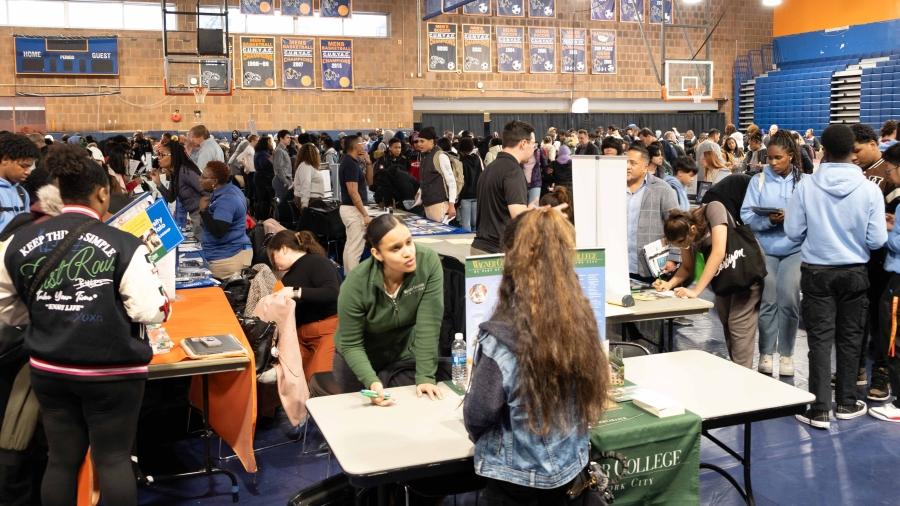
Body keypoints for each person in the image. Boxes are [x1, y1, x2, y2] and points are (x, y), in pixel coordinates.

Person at [0, 144, 169, 506]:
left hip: (49, 367)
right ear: (102, 192)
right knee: (113, 460)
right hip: (113, 373)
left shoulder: (19, 240)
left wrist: (48, 310)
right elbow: (150, 310)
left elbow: (5, 309)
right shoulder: (124, 244)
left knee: (60, 460)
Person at [464, 208, 609, 504]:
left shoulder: (501, 337)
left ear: (511, 257)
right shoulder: (581, 321)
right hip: (573, 472)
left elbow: (478, 414)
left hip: (516, 483)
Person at [786, 124, 887, 429]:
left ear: (822, 150)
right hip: (855, 272)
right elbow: (876, 241)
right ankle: (845, 401)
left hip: (817, 272)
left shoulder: (806, 186)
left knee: (819, 340)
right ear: (853, 150)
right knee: (851, 337)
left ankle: (818, 408)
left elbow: (792, 232)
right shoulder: (870, 189)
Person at [330, 214, 446, 403]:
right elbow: (352, 344)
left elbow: (429, 326)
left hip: (401, 354)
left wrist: (425, 376)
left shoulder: (428, 263)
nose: (408, 252)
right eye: (396, 248)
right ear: (377, 254)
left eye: (409, 242)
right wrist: (371, 382)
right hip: (357, 360)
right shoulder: (356, 284)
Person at [656, 200, 762, 369]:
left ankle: (743, 381)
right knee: (727, 324)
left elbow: (719, 251)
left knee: (738, 326)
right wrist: (668, 285)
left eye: (683, 241)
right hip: (724, 279)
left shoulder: (714, 208)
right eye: (678, 244)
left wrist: (696, 290)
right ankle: (738, 374)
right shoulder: (684, 233)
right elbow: (687, 266)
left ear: (692, 229)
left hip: (744, 274)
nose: (683, 246)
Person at [740, 130, 804, 377]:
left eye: (778, 158)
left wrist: (791, 218)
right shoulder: (758, 181)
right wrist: (770, 221)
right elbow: (746, 216)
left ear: (791, 156)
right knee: (768, 302)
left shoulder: (805, 181)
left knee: (789, 300)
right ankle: (766, 353)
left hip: (794, 249)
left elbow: (811, 215)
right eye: (770, 158)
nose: (773, 163)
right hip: (765, 248)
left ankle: (787, 354)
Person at [852, 122, 898, 400]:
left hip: (883, 259)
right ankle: (854, 367)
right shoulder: (853, 173)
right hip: (857, 258)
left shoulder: (889, 174)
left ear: (872, 143)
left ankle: (880, 371)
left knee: (881, 320)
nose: (854, 156)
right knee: (857, 317)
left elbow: (895, 220)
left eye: (857, 150)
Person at [267, 230, 340, 381]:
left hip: (326, 331)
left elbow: (333, 293)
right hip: (301, 335)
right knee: (295, 380)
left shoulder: (317, 262)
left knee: (318, 380)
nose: (275, 265)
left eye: (274, 257)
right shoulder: (289, 275)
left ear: (284, 249)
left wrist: (296, 292)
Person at [472, 121, 532, 254]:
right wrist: (544, 215)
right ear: (523, 143)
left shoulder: (490, 168)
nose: (533, 148)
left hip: (480, 248)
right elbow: (520, 217)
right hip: (497, 253)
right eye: (533, 143)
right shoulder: (513, 171)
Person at [871, 143, 900, 423]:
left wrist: (885, 231)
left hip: (898, 282)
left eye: (891, 169)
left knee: (893, 338)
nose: (889, 176)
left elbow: (897, 243)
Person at [625, 145, 680, 281]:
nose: (627, 166)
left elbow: (677, 226)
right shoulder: (612, 188)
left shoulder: (662, 189)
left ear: (645, 167)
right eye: (625, 162)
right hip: (619, 267)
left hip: (652, 269)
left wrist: (674, 258)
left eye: (633, 163)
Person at [198, 161, 252, 279]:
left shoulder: (226, 200)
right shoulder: (230, 190)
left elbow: (219, 231)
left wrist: (204, 211)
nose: (200, 179)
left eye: (203, 177)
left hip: (227, 259)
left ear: (214, 181)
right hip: (227, 253)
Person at [152, 140, 203, 239]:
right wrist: (158, 183)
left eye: (162, 155)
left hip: (201, 217)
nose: (159, 158)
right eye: (158, 154)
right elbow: (171, 197)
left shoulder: (186, 172)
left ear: (173, 156)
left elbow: (207, 191)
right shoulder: (175, 173)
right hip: (195, 216)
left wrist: (204, 213)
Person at [338, 135, 373, 272]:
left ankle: (348, 277)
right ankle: (353, 282)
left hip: (353, 208)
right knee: (355, 248)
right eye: (362, 142)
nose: (364, 145)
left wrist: (369, 163)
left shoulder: (353, 162)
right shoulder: (350, 164)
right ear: (355, 145)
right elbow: (353, 192)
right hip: (353, 209)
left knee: (351, 246)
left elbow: (370, 182)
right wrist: (364, 214)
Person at [415, 127, 457, 223]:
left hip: (439, 205)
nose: (419, 144)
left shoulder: (441, 156)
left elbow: (451, 182)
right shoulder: (424, 156)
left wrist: (451, 205)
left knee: (439, 235)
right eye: (418, 141)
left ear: (431, 141)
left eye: (422, 141)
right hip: (427, 205)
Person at [0, 133, 38, 232]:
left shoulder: (22, 193)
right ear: (5, 159)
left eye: (30, 167)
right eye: (23, 166)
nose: (28, 172)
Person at [456, 137, 483, 232]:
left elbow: (460, 179)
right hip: (476, 193)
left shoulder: (460, 161)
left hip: (465, 195)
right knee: (475, 223)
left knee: (466, 224)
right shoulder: (477, 159)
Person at [293, 142, 324, 211]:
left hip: (312, 200)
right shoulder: (305, 166)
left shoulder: (309, 166)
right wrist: (304, 205)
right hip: (310, 201)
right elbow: (305, 185)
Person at [253, 135, 275, 220]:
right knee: (264, 200)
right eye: (270, 142)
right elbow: (265, 166)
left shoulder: (261, 153)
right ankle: (263, 218)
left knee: (262, 200)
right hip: (263, 179)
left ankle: (261, 218)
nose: (271, 144)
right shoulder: (263, 154)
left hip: (261, 178)